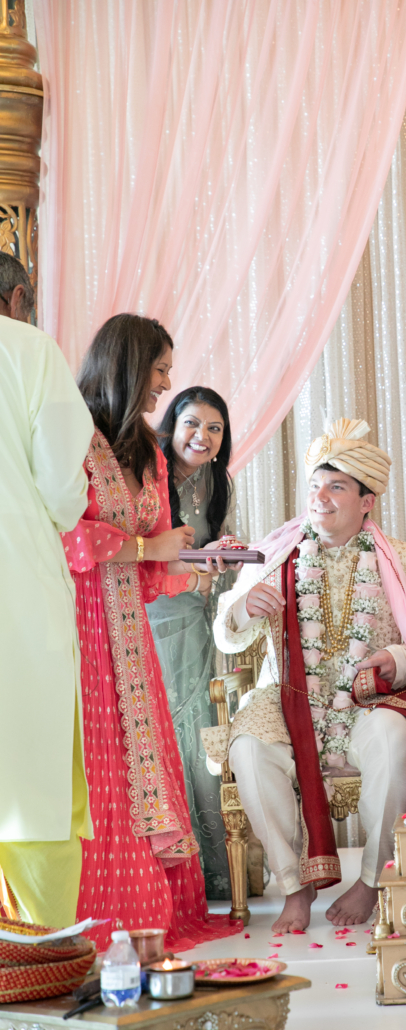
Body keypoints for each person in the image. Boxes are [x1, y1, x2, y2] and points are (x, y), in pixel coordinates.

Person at [211, 418, 406, 932]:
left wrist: (396, 659)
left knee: (392, 741)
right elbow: (225, 635)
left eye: (336, 487)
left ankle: (371, 882)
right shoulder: (273, 554)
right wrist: (244, 608)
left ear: (367, 501)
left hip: (367, 700)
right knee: (248, 749)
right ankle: (292, 886)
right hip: (285, 698)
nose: (319, 497)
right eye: (315, 485)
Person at [61, 313, 240, 950]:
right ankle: (96, 913)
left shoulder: (146, 450)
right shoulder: (70, 433)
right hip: (81, 624)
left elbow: (158, 558)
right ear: (130, 367)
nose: (166, 383)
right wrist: (148, 548)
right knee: (100, 762)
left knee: (139, 762)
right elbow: (65, 534)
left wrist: (197, 566)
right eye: (160, 370)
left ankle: (145, 908)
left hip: (131, 632)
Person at [0, 252, 94, 927]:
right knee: (34, 784)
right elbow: (64, 493)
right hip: (19, 591)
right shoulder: (31, 350)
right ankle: (45, 957)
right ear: (17, 298)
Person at [147, 387, 236, 900]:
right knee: (165, 733)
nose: (202, 436)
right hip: (154, 620)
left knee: (202, 732)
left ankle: (214, 874)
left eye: (214, 428)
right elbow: (146, 560)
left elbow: (219, 556)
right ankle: (171, 875)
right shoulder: (148, 476)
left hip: (198, 621)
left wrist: (221, 559)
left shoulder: (217, 482)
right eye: (193, 424)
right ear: (171, 427)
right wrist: (199, 573)